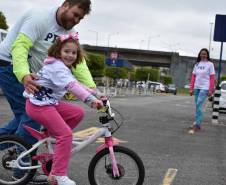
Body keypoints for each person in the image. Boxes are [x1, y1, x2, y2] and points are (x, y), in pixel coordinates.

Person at [0, 0, 95, 183]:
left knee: (23, 119)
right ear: (65, 5)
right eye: (75, 14)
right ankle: (22, 172)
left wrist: (91, 88)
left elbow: (79, 63)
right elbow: (20, 47)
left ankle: (20, 150)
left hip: (32, 74)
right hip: (9, 65)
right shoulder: (40, 18)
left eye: (80, 18)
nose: (76, 20)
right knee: (31, 117)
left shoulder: (68, 33)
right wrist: (23, 75)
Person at [24, 33, 103, 185]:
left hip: (49, 102)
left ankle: (50, 137)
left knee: (77, 113)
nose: (70, 55)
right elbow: (72, 86)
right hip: (39, 105)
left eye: (74, 52)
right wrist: (90, 101)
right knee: (66, 135)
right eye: (66, 51)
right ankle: (57, 175)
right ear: (58, 51)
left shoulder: (63, 67)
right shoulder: (57, 68)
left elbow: (77, 83)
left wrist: (96, 93)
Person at [188, 48, 215, 134]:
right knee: (197, 105)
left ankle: (198, 125)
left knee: (199, 103)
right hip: (196, 87)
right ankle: (196, 122)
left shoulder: (210, 64)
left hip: (205, 87)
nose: (203, 55)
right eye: (202, 54)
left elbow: (212, 78)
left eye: (205, 54)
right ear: (199, 54)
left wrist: (210, 90)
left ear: (207, 55)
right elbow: (193, 77)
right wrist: (191, 88)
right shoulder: (197, 64)